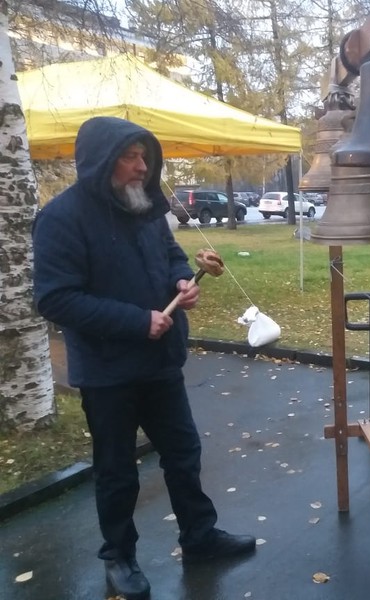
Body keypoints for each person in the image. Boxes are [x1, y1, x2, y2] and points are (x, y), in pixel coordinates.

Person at [32, 116, 255, 600]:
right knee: (117, 469)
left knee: (183, 453)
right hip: (108, 371)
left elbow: (171, 253)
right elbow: (55, 298)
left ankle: (199, 537)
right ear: (100, 161)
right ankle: (118, 556)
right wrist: (137, 321)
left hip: (160, 363)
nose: (141, 168)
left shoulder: (145, 206)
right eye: (130, 158)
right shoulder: (61, 218)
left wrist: (181, 280)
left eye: (145, 157)